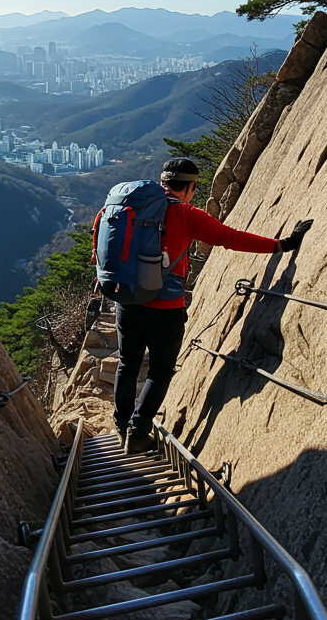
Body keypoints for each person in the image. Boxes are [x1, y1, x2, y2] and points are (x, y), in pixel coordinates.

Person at [115, 157, 312, 454]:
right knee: (159, 370)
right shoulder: (185, 213)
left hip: (127, 301)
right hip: (164, 308)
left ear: (163, 182)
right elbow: (230, 238)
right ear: (191, 187)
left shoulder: (133, 206)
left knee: (127, 364)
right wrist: (282, 244)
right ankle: (138, 433)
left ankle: (121, 426)